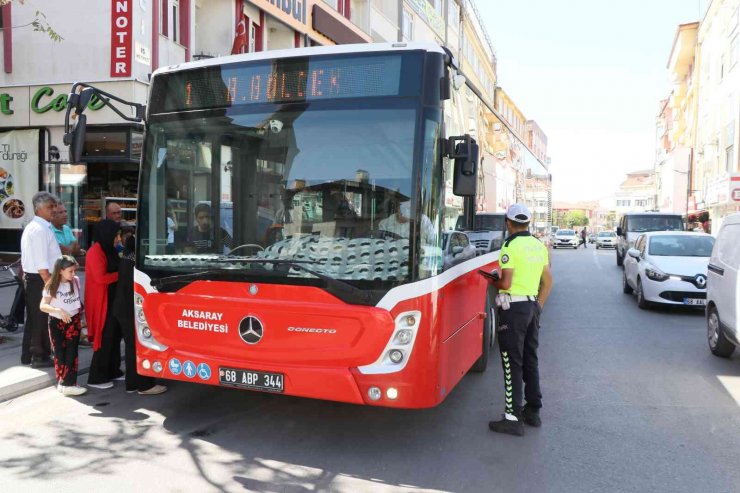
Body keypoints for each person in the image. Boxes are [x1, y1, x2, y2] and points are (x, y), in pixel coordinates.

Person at [484, 203, 553, 436]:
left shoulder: (509, 246)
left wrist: (491, 279)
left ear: (508, 223)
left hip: (513, 309)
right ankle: (532, 411)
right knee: (529, 358)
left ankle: (512, 418)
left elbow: (505, 283)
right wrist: (539, 307)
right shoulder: (538, 245)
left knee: (511, 361)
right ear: (529, 223)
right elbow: (548, 281)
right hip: (532, 306)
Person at [114, 233, 167, 395]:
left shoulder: (125, 259)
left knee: (131, 346)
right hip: (131, 310)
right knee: (139, 344)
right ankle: (144, 385)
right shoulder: (135, 264)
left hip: (122, 309)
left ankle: (132, 384)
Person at [20, 192, 62, 367]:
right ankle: (39, 355)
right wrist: (50, 285)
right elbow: (41, 264)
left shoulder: (42, 227)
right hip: (40, 278)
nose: (54, 209)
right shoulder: (38, 229)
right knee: (40, 318)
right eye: (50, 207)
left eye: (54, 206)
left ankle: (31, 355)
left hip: (39, 278)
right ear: (39, 209)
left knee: (36, 317)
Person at [39, 255, 87, 397]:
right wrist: (57, 310)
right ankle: (63, 382)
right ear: (60, 270)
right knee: (59, 353)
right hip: (57, 322)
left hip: (73, 320)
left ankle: (68, 383)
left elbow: (77, 303)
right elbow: (43, 306)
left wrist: (82, 319)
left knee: (72, 352)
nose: (73, 274)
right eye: (70, 271)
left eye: (74, 271)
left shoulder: (75, 281)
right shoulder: (52, 285)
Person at [85, 219, 123, 389]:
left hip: (112, 299)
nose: (118, 239)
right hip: (102, 301)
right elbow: (101, 279)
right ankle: (97, 377)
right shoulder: (95, 252)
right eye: (116, 235)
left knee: (114, 336)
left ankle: (112, 370)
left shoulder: (110, 250)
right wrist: (122, 275)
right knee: (105, 338)